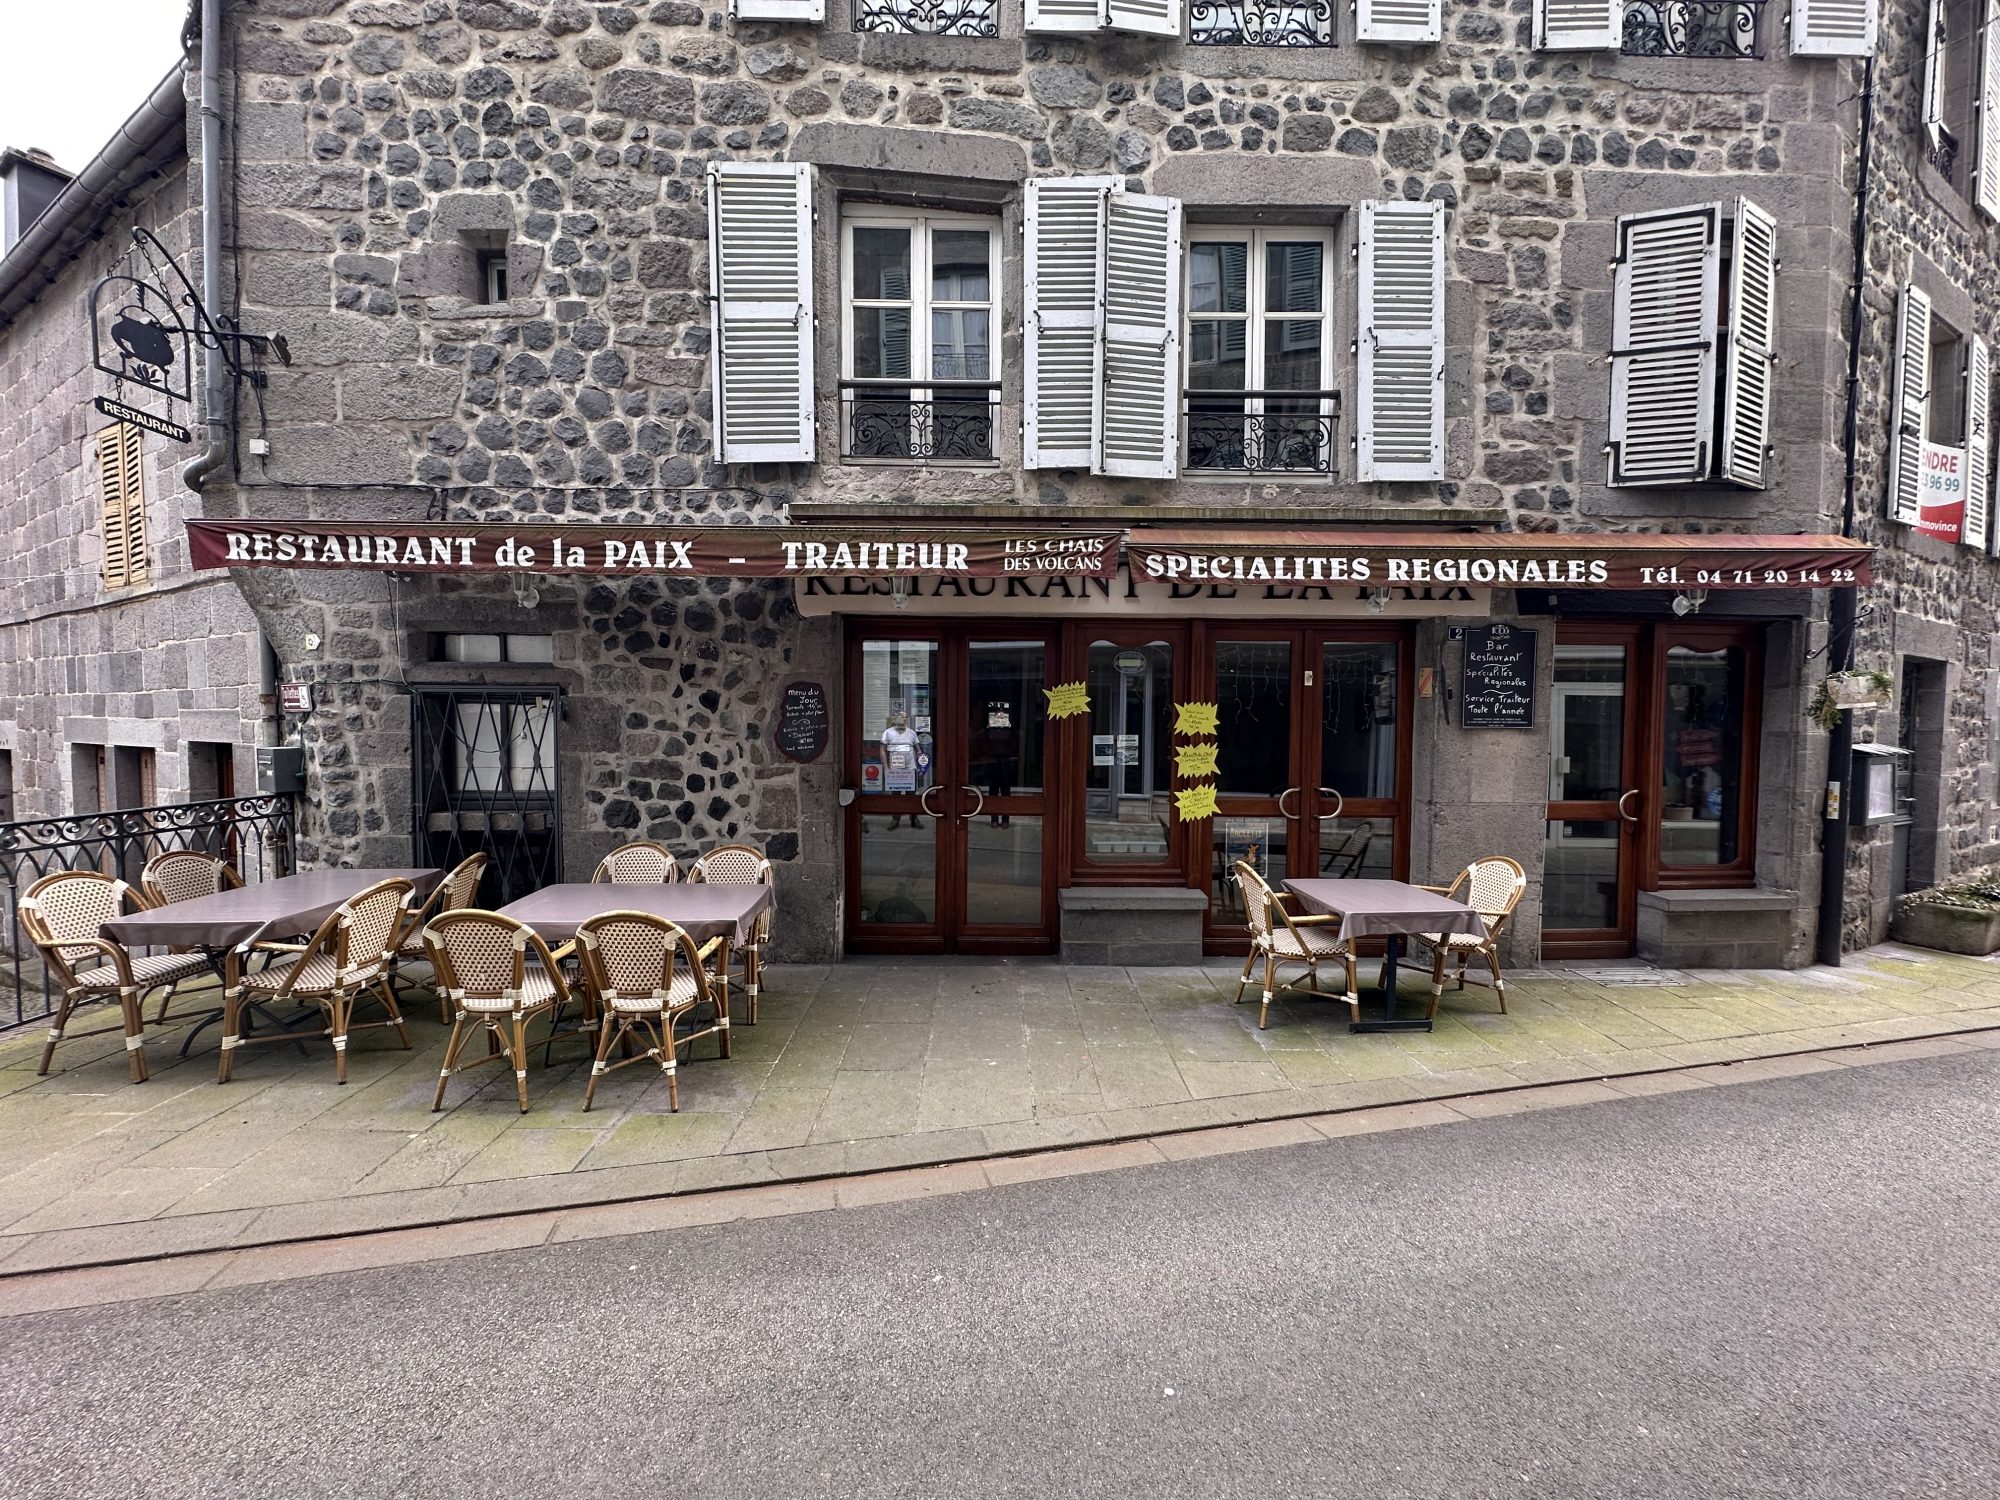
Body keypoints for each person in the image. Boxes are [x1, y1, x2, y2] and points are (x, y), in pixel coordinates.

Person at [883, 711, 922, 830]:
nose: (904, 719)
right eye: (901, 716)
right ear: (895, 718)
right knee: (896, 796)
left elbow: (918, 750)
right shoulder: (888, 733)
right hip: (895, 770)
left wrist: (920, 766)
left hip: (910, 769)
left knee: (912, 796)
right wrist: (886, 767)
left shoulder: (912, 733)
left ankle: (914, 819)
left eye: (906, 717)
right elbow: (882, 750)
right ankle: (895, 820)